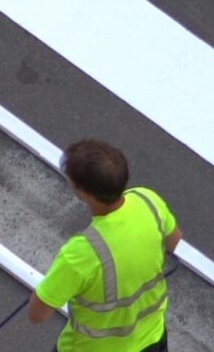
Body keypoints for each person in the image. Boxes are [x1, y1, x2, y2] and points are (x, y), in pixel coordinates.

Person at [27, 139, 182, 351]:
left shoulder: (82, 253)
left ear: (82, 192)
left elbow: (37, 314)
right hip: (151, 340)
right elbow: (173, 242)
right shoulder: (148, 200)